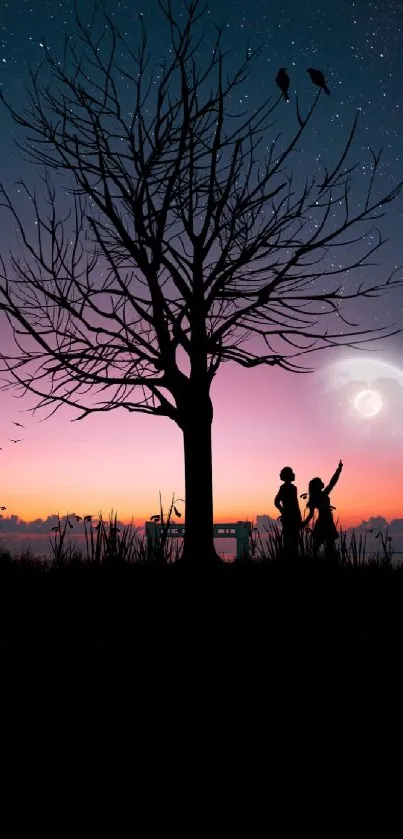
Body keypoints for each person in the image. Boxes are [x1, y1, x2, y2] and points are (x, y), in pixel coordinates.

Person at [301, 460, 343, 559]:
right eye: (320, 482)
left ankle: (315, 561)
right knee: (327, 545)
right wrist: (339, 469)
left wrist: (302, 524)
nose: (323, 483)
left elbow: (310, 516)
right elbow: (332, 483)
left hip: (323, 521)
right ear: (317, 486)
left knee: (318, 545)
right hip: (327, 521)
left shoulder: (313, 499)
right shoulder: (323, 494)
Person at [274, 467, 302, 557]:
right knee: (289, 540)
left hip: (294, 517)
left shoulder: (293, 488)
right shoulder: (284, 488)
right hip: (289, 518)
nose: (294, 474)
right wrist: (283, 511)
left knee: (294, 540)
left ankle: (292, 558)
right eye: (291, 473)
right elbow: (276, 501)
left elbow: (295, 504)